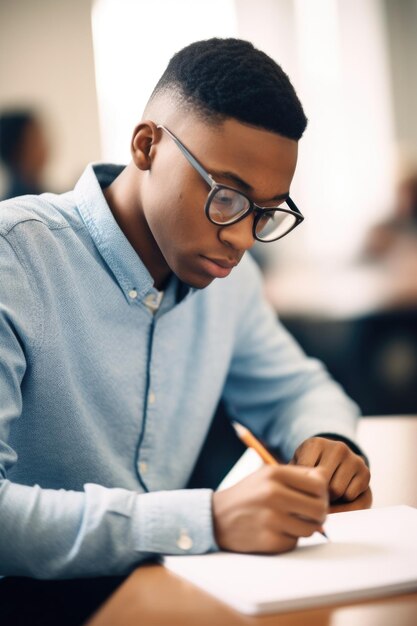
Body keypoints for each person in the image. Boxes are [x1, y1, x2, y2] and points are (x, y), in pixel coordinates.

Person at [0, 38, 370, 580]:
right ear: (147, 146)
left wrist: (326, 441)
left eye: (264, 212)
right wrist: (205, 521)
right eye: (226, 196)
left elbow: (300, 390)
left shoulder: (227, 279)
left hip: (170, 588)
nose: (243, 238)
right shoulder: (16, 258)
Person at [0, 109, 49, 201]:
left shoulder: (47, 195)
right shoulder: (13, 205)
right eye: (35, 142)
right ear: (17, 149)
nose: (45, 147)